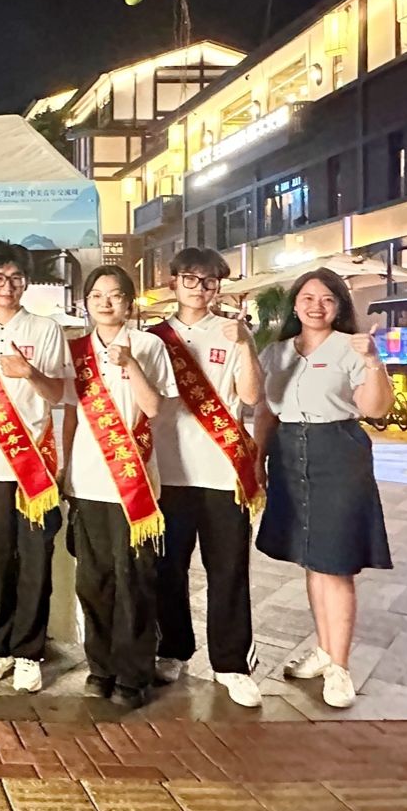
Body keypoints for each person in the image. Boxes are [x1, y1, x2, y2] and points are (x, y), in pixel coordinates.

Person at [253, 268, 392, 709]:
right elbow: (265, 411)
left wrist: (372, 361)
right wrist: (257, 459)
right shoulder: (275, 353)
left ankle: (340, 666)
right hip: (289, 452)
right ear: (295, 304)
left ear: (339, 306)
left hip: (338, 452)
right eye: (308, 298)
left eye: (327, 299)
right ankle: (324, 650)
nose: (317, 306)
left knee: (336, 561)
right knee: (312, 558)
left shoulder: (352, 347)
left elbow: (375, 407)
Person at [148, 247, 265, 708]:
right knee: (167, 570)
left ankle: (232, 664)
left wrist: (246, 344)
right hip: (169, 472)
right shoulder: (153, 339)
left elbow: (251, 397)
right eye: (191, 279)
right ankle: (173, 649)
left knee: (229, 570)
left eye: (210, 281)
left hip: (222, 474)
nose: (200, 288)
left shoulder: (232, 333)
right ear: (173, 283)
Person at [61, 265, 176, 710]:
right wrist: (65, 469)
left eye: (115, 295)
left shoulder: (149, 346)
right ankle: (101, 667)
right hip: (88, 483)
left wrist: (130, 364)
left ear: (129, 302)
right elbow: (71, 415)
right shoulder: (77, 352)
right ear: (86, 303)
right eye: (97, 296)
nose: (105, 303)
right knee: (93, 582)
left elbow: (155, 408)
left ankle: (134, 673)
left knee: (136, 583)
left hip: (135, 486)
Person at [0, 241, 70, 693]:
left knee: (35, 560)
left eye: (16, 277)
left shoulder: (46, 329)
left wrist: (30, 373)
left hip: (34, 467)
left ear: (26, 282)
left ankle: (28, 652)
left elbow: (57, 393)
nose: (7, 286)